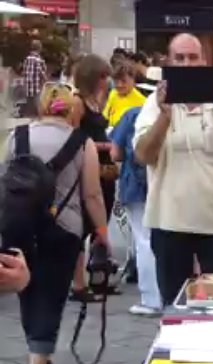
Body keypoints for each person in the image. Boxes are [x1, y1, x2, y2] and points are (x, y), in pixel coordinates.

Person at [134, 33, 213, 306]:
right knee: (175, 307)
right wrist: (165, 116)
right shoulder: (154, 102)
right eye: (179, 58)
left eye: (193, 57)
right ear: (168, 62)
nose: (187, 64)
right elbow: (142, 156)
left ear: (204, 61)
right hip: (169, 222)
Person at [4, 83, 109, 364]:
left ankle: (39, 353)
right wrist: (102, 232)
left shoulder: (17, 137)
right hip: (63, 228)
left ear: (42, 107)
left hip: (19, 226)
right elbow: (92, 195)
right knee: (52, 294)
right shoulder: (82, 142)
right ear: (72, 110)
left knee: (26, 289)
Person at [70, 54, 117, 302]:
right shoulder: (78, 102)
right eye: (103, 76)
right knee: (84, 225)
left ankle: (98, 273)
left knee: (101, 221)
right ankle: (78, 283)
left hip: (105, 170)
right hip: (89, 167)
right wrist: (102, 146)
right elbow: (73, 137)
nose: (106, 81)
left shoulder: (97, 101)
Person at [111, 105, 161, 316]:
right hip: (164, 184)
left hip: (135, 184)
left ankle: (151, 298)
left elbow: (116, 153)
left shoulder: (132, 114)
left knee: (144, 240)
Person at [103, 61, 147, 128]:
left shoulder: (142, 102)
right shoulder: (113, 93)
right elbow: (105, 114)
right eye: (116, 81)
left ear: (133, 80)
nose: (119, 85)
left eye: (124, 81)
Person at [22, 40, 47, 117]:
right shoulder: (38, 59)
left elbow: (24, 71)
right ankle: (39, 117)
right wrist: (45, 79)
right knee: (38, 101)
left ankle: (29, 116)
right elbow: (41, 72)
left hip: (28, 84)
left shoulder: (27, 58)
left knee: (29, 101)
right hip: (37, 84)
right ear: (39, 48)